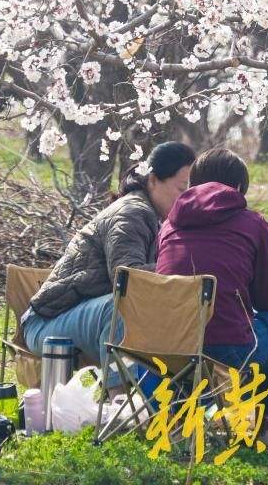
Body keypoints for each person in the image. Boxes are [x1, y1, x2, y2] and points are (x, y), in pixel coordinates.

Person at [155, 148, 268, 454]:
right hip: (227, 351)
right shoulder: (253, 223)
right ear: (240, 188)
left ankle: (179, 423)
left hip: (166, 348)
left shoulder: (169, 224)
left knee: (197, 334)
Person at [23, 141, 196, 386]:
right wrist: (182, 268)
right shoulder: (132, 212)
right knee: (122, 308)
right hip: (46, 325)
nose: (185, 199)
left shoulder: (154, 216)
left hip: (75, 317)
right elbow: (126, 279)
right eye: (181, 189)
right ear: (154, 180)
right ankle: (119, 400)